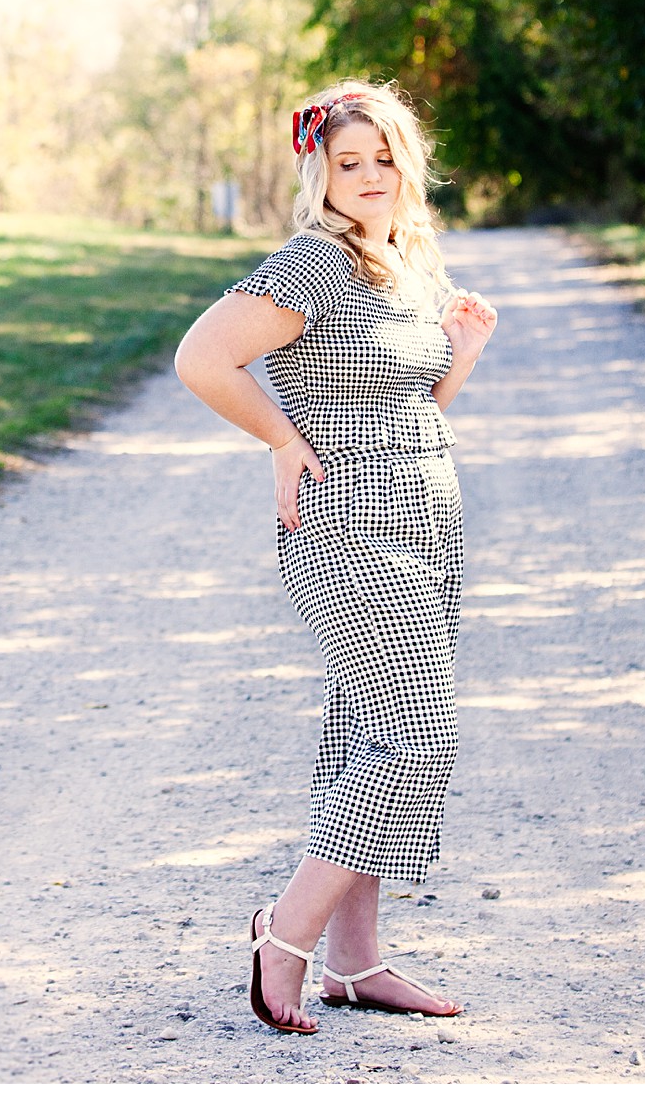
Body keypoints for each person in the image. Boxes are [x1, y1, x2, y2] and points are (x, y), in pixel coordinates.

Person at [173, 79, 499, 1035]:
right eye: (345, 161)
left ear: (409, 164)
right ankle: (287, 929)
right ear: (318, 170)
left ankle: (357, 963)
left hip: (426, 524)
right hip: (346, 527)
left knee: (369, 733)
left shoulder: (399, 264)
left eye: (382, 159)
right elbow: (203, 359)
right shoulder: (310, 264)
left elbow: (406, 408)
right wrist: (281, 441)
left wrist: (462, 353)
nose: (366, 176)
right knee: (415, 739)